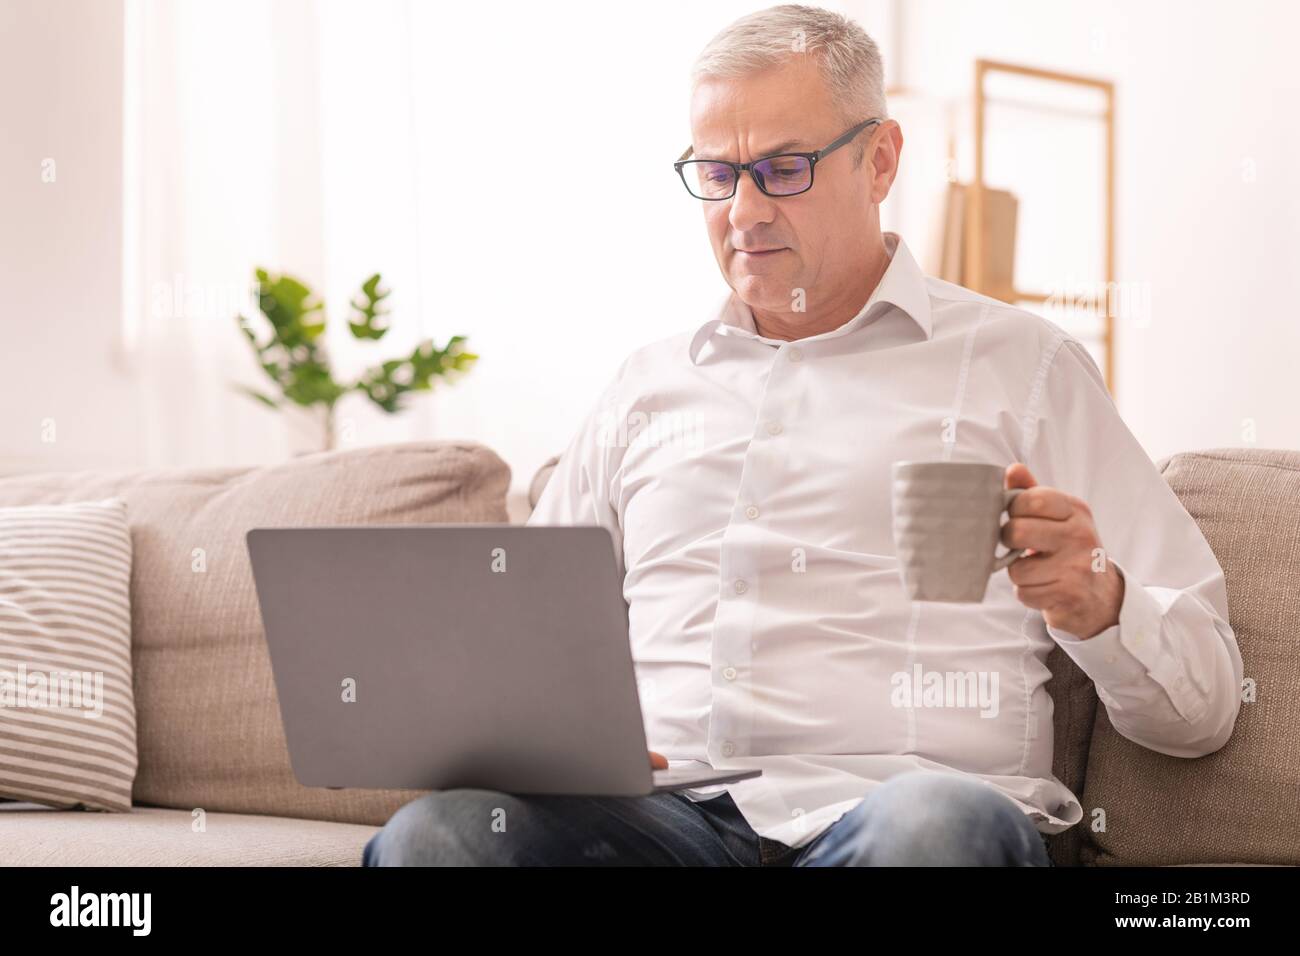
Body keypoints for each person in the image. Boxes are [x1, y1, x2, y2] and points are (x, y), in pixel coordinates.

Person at [364, 3, 1241, 866]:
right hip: (661, 819)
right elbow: (524, 648)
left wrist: (1101, 599)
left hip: (898, 813)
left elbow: (1204, 713)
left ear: (880, 160)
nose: (743, 212)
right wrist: (548, 741)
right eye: (716, 173)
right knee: (439, 836)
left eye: (783, 168)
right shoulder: (647, 388)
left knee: (936, 828)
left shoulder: (1024, 368)